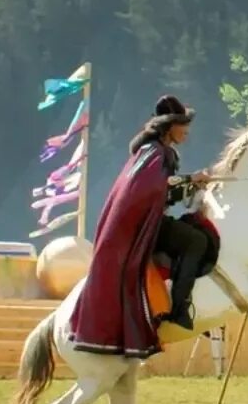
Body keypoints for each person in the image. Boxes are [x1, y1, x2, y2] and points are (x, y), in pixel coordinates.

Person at [69, 95, 214, 355]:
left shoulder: (153, 152)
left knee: (195, 229)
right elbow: (156, 189)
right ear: (169, 127)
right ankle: (179, 309)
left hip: (148, 222)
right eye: (183, 125)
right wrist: (192, 178)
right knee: (197, 240)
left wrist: (193, 184)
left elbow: (161, 194)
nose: (187, 131)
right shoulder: (157, 153)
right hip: (144, 229)